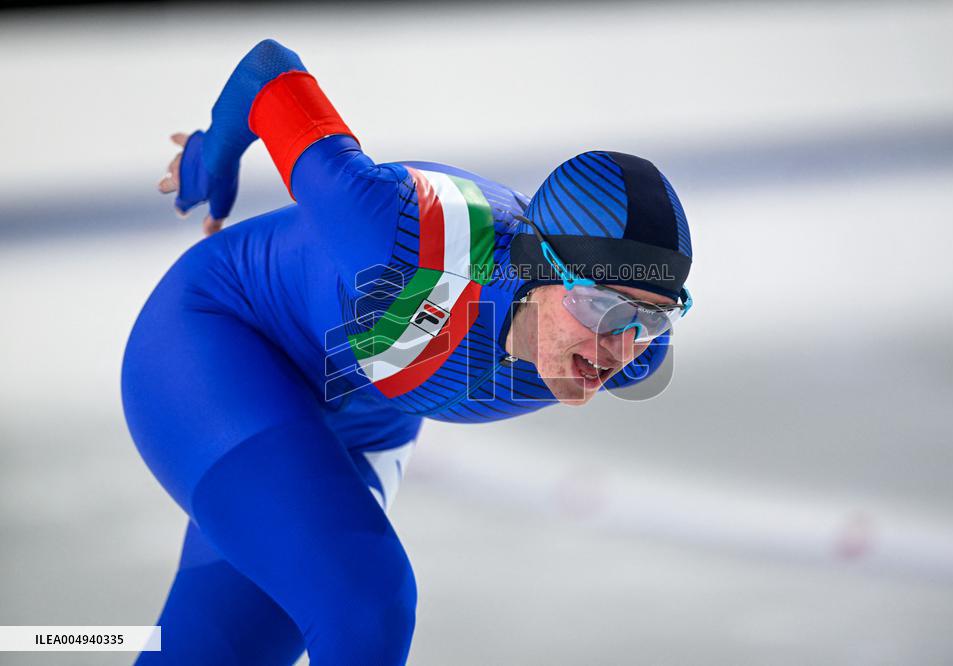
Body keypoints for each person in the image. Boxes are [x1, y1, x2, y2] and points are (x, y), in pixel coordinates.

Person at [121, 39, 694, 665]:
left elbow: (627, 327)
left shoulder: (630, 351)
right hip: (220, 341)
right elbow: (269, 70)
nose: (618, 346)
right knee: (365, 603)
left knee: (223, 651)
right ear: (536, 265)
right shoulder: (404, 233)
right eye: (600, 306)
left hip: (361, 418)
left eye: (651, 317)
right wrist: (214, 155)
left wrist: (628, 318)